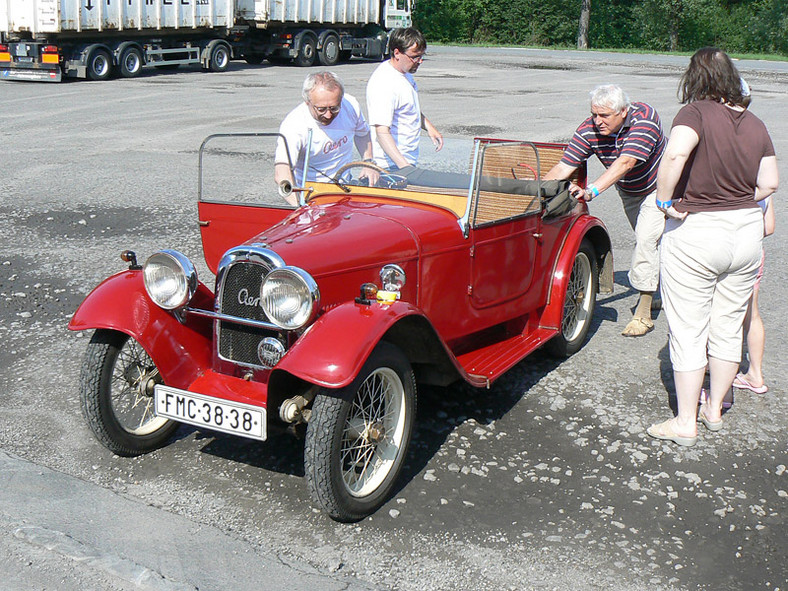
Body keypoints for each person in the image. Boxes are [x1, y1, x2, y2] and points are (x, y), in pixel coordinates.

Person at [647, 47, 778, 447]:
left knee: (688, 327)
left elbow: (676, 152)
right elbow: (770, 183)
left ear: (695, 77)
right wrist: (739, 197)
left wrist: (665, 201)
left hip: (699, 230)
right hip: (745, 232)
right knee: (726, 326)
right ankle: (715, 409)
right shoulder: (755, 122)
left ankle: (685, 422)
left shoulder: (695, 113)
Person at [544, 84, 665, 337]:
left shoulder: (644, 120)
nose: (597, 121)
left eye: (604, 116)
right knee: (654, 242)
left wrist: (591, 192)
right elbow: (564, 166)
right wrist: (536, 192)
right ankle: (660, 287)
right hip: (630, 191)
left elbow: (625, 163)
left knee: (646, 240)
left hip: (660, 187)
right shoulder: (589, 129)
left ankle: (644, 313)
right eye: (594, 114)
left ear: (623, 112)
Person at [732, 78, 775, 396]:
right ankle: (755, 374)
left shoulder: (724, 153)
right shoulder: (759, 155)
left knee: (721, 314)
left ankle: (719, 377)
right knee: (752, 313)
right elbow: (769, 225)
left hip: (726, 243)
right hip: (753, 247)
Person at [275, 71, 375, 206]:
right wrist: (298, 206)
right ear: (307, 102)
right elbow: (282, 172)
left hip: (345, 190)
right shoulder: (294, 125)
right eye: (321, 109)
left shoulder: (350, 105)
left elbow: (363, 133)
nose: (328, 115)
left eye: (334, 108)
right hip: (312, 196)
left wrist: (368, 162)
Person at [366, 27, 443, 170]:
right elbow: (382, 132)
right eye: (415, 57)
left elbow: (409, 108)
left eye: (422, 56)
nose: (419, 61)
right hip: (390, 165)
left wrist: (429, 127)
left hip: (406, 160)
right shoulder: (384, 83)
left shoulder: (406, 74)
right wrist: (404, 167)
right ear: (397, 53)